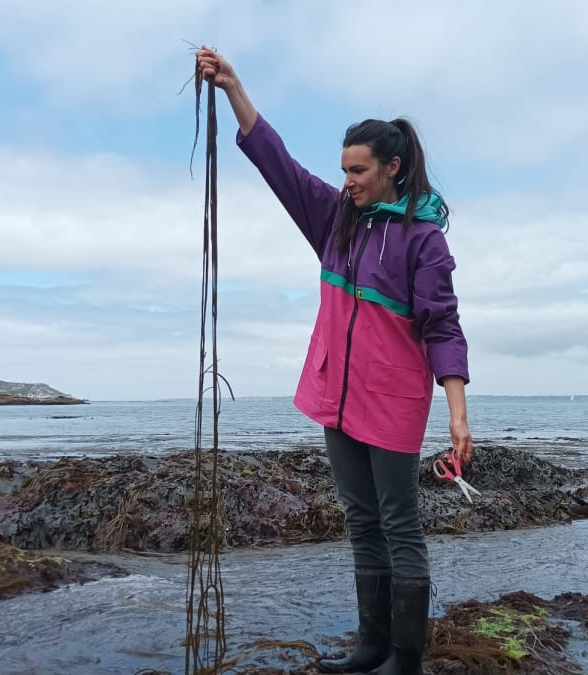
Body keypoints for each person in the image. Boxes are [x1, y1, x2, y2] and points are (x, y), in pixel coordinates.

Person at [197, 48, 473, 675]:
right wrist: (235, 86)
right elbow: (279, 166)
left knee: (399, 523)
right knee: (359, 519)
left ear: (392, 168)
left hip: (395, 399)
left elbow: (443, 327)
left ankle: (406, 657)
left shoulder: (422, 239)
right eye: (343, 169)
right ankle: (370, 644)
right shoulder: (335, 221)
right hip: (336, 396)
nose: (347, 179)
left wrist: (458, 416)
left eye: (358, 170)